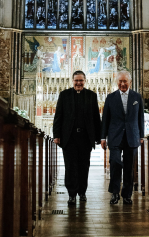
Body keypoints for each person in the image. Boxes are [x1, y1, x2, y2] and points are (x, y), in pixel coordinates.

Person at [53, 70, 101, 206]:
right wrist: (56, 135)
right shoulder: (64, 95)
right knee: (70, 166)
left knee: (84, 166)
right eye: (76, 80)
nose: (78, 83)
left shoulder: (91, 96)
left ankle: (82, 192)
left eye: (81, 80)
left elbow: (96, 118)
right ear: (72, 81)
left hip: (85, 138)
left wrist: (98, 136)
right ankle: (72, 194)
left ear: (85, 81)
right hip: (69, 137)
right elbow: (58, 116)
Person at [101, 70, 144, 205]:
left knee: (129, 166)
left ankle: (127, 195)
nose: (123, 84)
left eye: (125, 81)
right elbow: (105, 119)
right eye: (120, 81)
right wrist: (103, 137)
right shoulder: (110, 97)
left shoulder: (137, 97)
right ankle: (114, 193)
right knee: (114, 163)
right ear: (117, 82)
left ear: (130, 82)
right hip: (115, 136)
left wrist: (141, 136)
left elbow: (140, 118)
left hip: (132, 135)